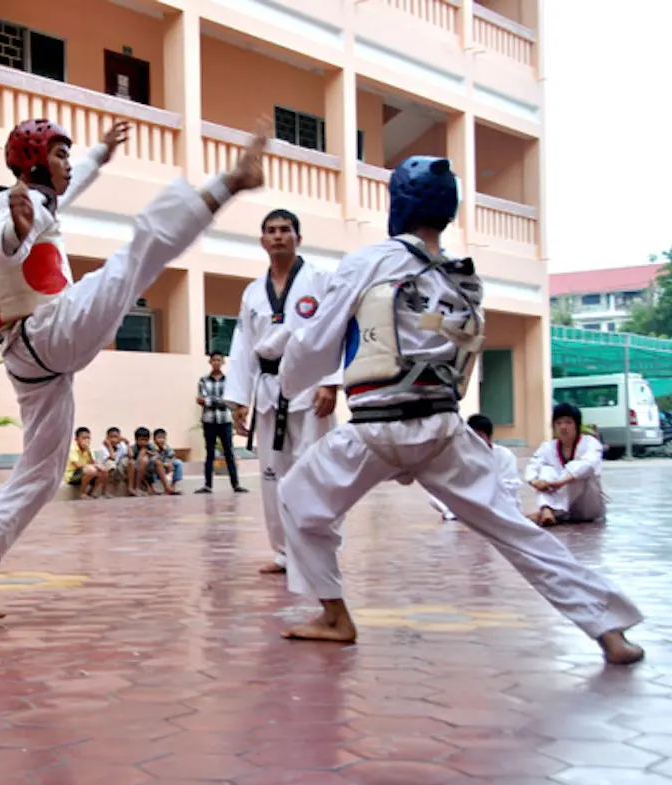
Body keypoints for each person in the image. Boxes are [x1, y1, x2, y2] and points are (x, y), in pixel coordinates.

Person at [273, 155, 644, 665]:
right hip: (444, 430)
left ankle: (335, 616)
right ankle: (611, 631)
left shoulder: (371, 261)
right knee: (516, 531)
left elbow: (312, 349)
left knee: (296, 498)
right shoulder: (463, 278)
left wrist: (288, 370)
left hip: (377, 429)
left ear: (397, 204)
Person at [0, 117, 269, 618]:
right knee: (136, 257)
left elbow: (51, 201)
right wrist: (16, 235)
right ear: (32, 160)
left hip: (27, 358)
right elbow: (1, 242)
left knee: (44, 469)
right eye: (59, 156)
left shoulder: (39, 201)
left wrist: (99, 155)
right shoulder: (14, 206)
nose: (67, 166)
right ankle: (229, 183)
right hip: (49, 331)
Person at [224, 209, 342, 574]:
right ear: (262, 241)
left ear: (298, 238)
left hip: (310, 388)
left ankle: (318, 550)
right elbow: (243, 345)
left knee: (313, 470)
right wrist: (238, 400)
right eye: (271, 231)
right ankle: (284, 552)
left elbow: (337, 328)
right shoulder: (252, 292)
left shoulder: (320, 280)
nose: (278, 236)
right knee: (272, 474)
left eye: (285, 230)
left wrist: (331, 381)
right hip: (269, 391)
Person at [525, 402, 606, 527]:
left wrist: (561, 482)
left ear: (577, 425)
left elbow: (588, 465)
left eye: (568, 422)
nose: (563, 427)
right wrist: (534, 481)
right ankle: (547, 510)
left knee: (577, 472)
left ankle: (548, 511)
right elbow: (533, 464)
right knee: (546, 471)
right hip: (563, 506)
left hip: (587, 507)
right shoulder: (548, 447)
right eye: (558, 423)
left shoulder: (591, 443)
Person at [428, 413, 520, 521]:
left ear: (489, 437)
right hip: (471, 500)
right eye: (472, 437)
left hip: (496, 501)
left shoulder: (505, 455)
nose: (476, 440)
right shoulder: (463, 454)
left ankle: (463, 514)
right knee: (434, 497)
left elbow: (510, 486)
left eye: (480, 436)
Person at [196, 352, 247, 494]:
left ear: (223, 362)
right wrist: (221, 401)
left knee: (229, 453)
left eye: (219, 360)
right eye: (214, 360)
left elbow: (230, 401)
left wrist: (211, 401)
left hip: (225, 421)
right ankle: (207, 485)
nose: (216, 362)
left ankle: (236, 484)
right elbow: (201, 400)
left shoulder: (229, 381)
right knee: (210, 454)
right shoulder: (203, 380)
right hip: (209, 421)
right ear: (210, 362)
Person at [65, 426, 104, 500]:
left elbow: (93, 463)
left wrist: (89, 452)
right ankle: (82, 493)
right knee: (91, 470)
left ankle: (93, 494)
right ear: (76, 439)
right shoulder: (72, 449)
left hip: (85, 472)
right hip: (72, 475)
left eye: (88, 438)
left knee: (103, 470)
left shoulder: (89, 450)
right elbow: (77, 465)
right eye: (83, 438)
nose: (86, 440)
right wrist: (92, 466)